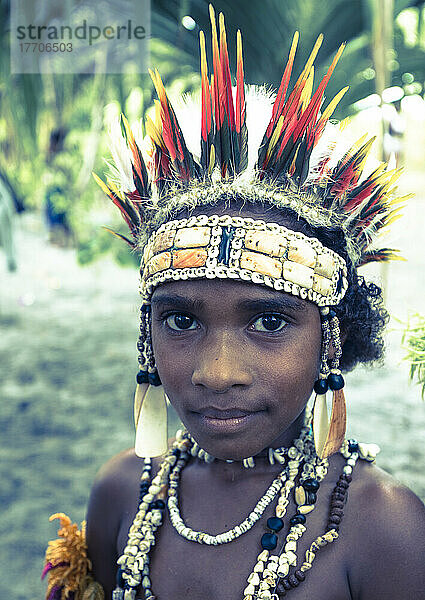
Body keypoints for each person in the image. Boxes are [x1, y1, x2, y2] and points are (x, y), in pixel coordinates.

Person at [43, 8, 425, 600]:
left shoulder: (384, 531)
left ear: (332, 338)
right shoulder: (119, 494)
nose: (216, 374)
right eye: (181, 319)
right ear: (147, 331)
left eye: (270, 321)